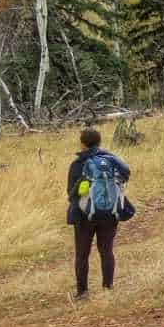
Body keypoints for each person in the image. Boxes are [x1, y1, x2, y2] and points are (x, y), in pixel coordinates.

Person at [67, 127, 133, 298]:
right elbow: (125, 175)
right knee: (106, 250)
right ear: (99, 142)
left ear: (82, 143)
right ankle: (108, 287)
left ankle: (82, 292)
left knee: (82, 254)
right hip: (110, 212)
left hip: (84, 214)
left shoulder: (78, 163)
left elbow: (71, 192)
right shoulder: (111, 160)